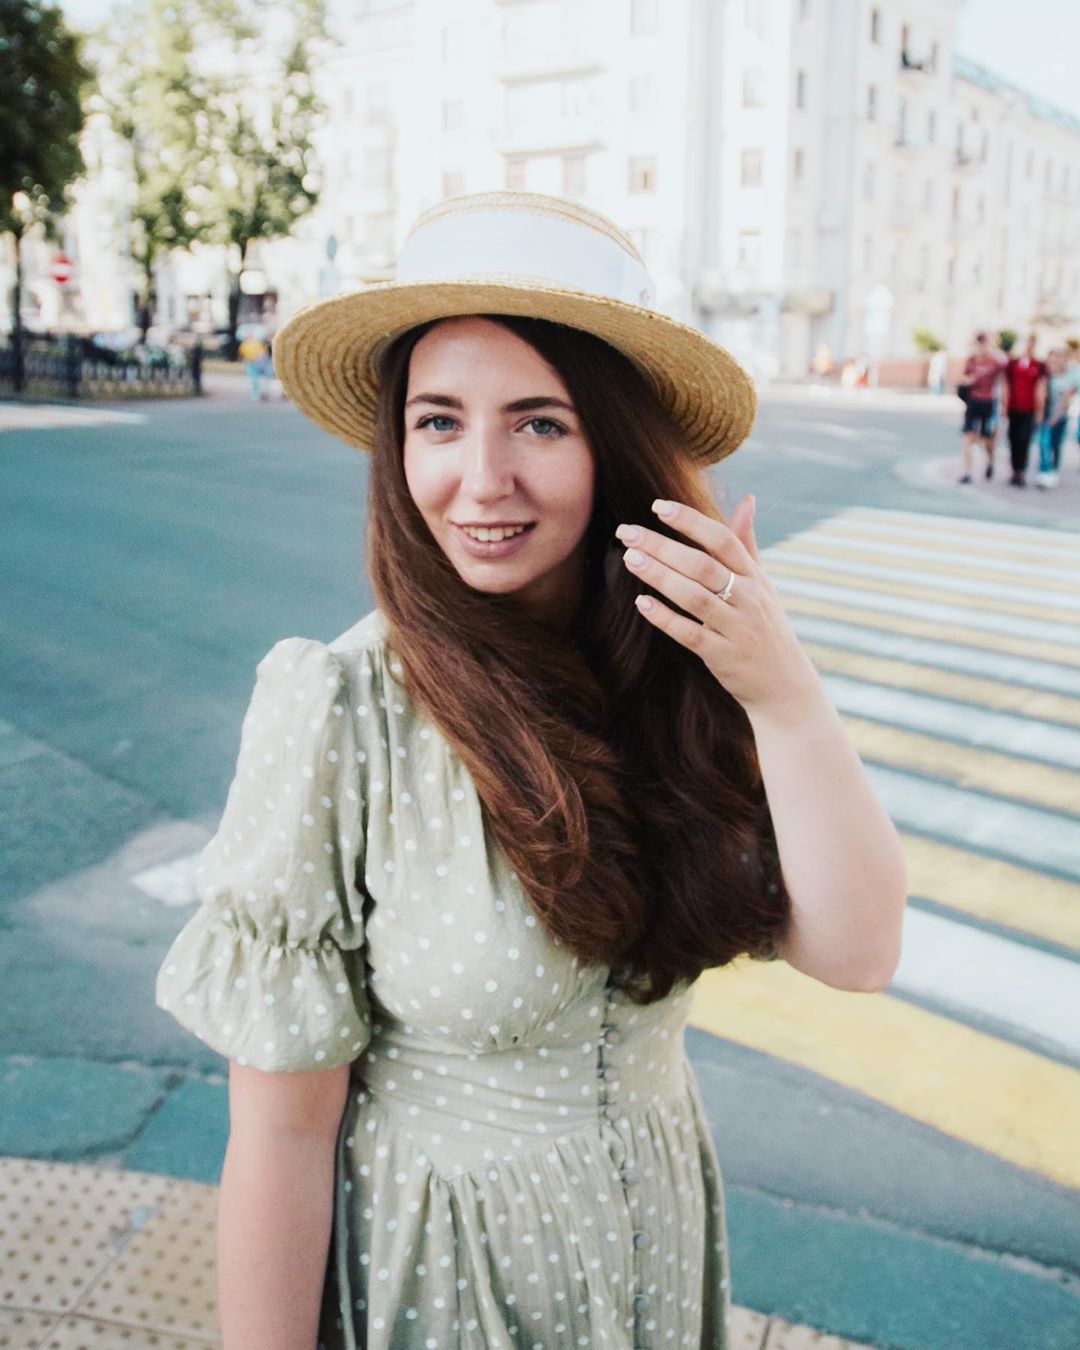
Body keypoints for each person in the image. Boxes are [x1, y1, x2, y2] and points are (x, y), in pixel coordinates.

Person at [154, 191, 907, 1350]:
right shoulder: (343, 705)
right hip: (448, 1272)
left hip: (652, 1244)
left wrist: (785, 691)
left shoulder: (686, 663)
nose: (482, 479)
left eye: (540, 423)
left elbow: (856, 954)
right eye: (439, 421)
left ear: (614, 444)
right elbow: (282, 1134)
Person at [957, 330, 1007, 485]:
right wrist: (970, 380)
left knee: (987, 439)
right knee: (968, 436)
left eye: (985, 342)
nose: (982, 345)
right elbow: (962, 379)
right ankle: (967, 472)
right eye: (980, 342)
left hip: (989, 402)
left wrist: (1003, 405)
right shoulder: (972, 361)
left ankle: (990, 461)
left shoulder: (996, 362)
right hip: (973, 402)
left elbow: (1003, 381)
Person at [1000, 334, 1047, 488]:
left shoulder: (1039, 365)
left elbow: (1041, 388)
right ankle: (1014, 470)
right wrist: (1004, 405)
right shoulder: (1013, 364)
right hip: (1014, 407)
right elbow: (1006, 385)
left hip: (1029, 409)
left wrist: (1040, 410)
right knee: (1013, 438)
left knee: (1025, 439)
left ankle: (1021, 471)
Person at [1036, 347, 1080, 489]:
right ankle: (1044, 471)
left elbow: (1067, 396)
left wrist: (1056, 415)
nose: (1055, 361)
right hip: (1045, 414)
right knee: (1043, 443)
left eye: (1058, 357)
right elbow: (1040, 393)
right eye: (1053, 357)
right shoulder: (1047, 373)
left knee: (1056, 444)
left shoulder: (1072, 374)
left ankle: (1054, 469)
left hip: (1061, 415)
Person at [239, 332, 269, 400]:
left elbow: (262, 353)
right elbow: (242, 354)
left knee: (256, 379)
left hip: (256, 363)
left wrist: (259, 358)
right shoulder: (244, 344)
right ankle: (254, 394)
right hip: (249, 362)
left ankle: (258, 393)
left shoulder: (257, 344)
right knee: (253, 379)